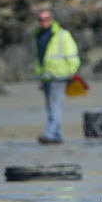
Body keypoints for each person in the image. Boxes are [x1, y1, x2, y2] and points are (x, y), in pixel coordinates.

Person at [34, 9, 81, 144]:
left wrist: (72, 72)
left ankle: (49, 134)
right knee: (50, 107)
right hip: (46, 76)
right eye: (41, 19)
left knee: (55, 107)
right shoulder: (38, 34)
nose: (43, 22)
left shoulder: (63, 35)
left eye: (46, 19)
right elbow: (39, 57)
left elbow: (72, 54)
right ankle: (57, 136)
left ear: (52, 19)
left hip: (60, 75)